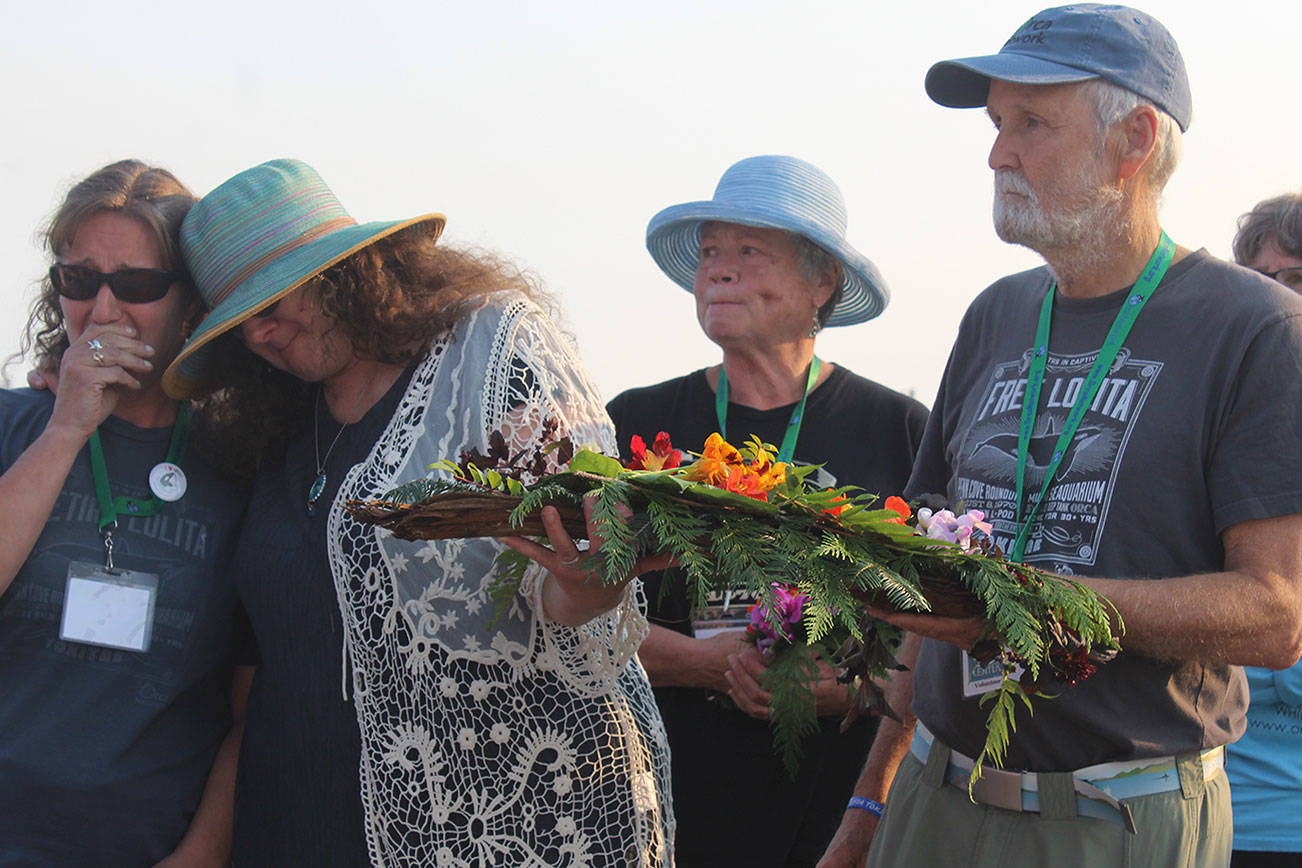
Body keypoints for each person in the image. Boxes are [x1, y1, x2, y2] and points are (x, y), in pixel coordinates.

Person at [817, 6, 1302, 868]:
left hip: (1117, 819)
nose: (998, 154)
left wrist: (1026, 607)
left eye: (1031, 124)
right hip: (932, 795)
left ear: (1135, 139)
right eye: (998, 124)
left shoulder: (1259, 330)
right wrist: (868, 802)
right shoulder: (995, 315)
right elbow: (932, 594)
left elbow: (1275, 615)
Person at [161, 158, 674, 866]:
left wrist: (590, 583)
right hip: (293, 824)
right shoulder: (270, 422)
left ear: (345, 274)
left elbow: (573, 573)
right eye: (239, 325)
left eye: (272, 306)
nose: (259, 337)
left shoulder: (491, 354)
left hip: (489, 825)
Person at [607, 154, 928, 867]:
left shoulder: (901, 431)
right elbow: (573, 612)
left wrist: (854, 688)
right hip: (657, 806)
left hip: (836, 820)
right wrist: (699, 662)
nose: (718, 270)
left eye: (749, 251)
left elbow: (937, 632)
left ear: (822, 282)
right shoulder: (636, 425)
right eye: (711, 253)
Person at [0, 160, 251, 865]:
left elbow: (252, 704)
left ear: (191, 302)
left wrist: (202, 854)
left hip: (145, 842)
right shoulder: (15, 426)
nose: (103, 311)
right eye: (80, 281)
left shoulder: (241, 464)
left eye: (136, 285)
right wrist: (65, 431)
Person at [1226, 192, 1302, 867]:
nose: (1277, 302)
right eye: (1258, 281)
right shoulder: (1216, 440)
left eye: (1298, 280)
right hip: (1190, 818)